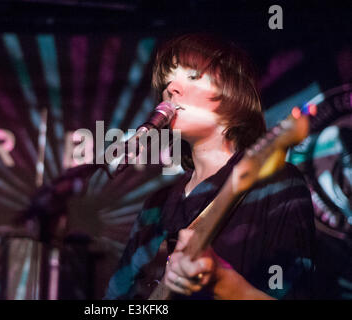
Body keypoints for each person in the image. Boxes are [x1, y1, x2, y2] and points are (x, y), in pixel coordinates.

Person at [104, 33, 316, 300]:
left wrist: (223, 282)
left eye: (192, 76)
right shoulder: (155, 206)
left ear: (232, 94)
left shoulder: (278, 185)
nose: (172, 88)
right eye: (168, 80)